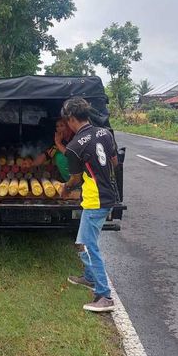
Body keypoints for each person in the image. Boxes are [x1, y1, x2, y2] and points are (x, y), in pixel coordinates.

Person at [59, 97, 120, 313]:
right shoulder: (105, 133)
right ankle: (89, 277)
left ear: (72, 118)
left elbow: (75, 179)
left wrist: (65, 189)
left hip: (96, 201)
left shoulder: (74, 147)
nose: (66, 124)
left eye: (66, 120)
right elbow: (114, 162)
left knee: (88, 245)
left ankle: (104, 295)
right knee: (84, 241)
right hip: (109, 194)